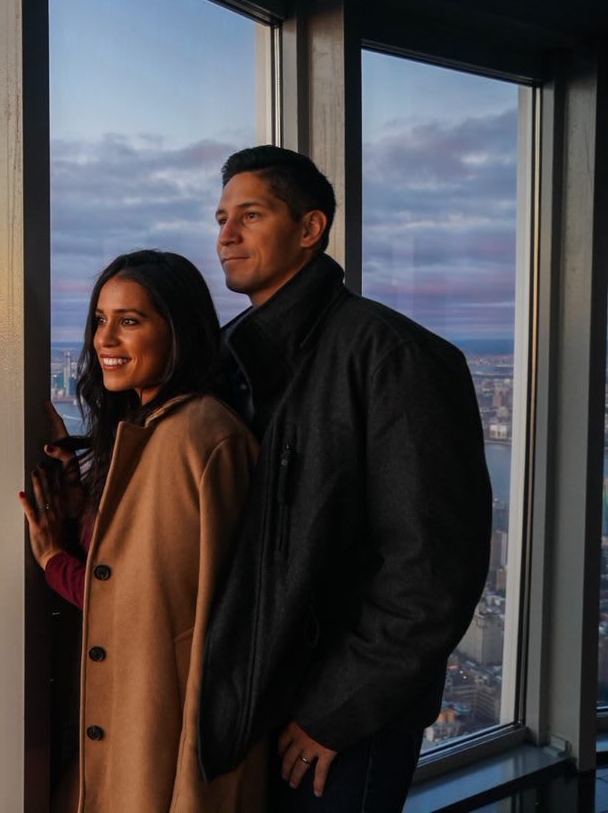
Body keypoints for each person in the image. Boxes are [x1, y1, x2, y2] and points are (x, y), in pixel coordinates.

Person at [197, 145, 492, 812]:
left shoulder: (395, 356)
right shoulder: (228, 358)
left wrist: (339, 710)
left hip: (342, 715)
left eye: (249, 214)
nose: (225, 235)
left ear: (309, 228)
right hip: (250, 692)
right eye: (219, 218)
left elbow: (431, 567)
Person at [22, 249, 266, 812]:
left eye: (130, 321)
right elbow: (149, 565)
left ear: (177, 331)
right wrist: (86, 505)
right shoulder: (155, 426)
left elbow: (151, 613)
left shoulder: (195, 440)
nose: (105, 340)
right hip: (136, 732)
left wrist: (57, 559)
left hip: (162, 743)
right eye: (100, 321)